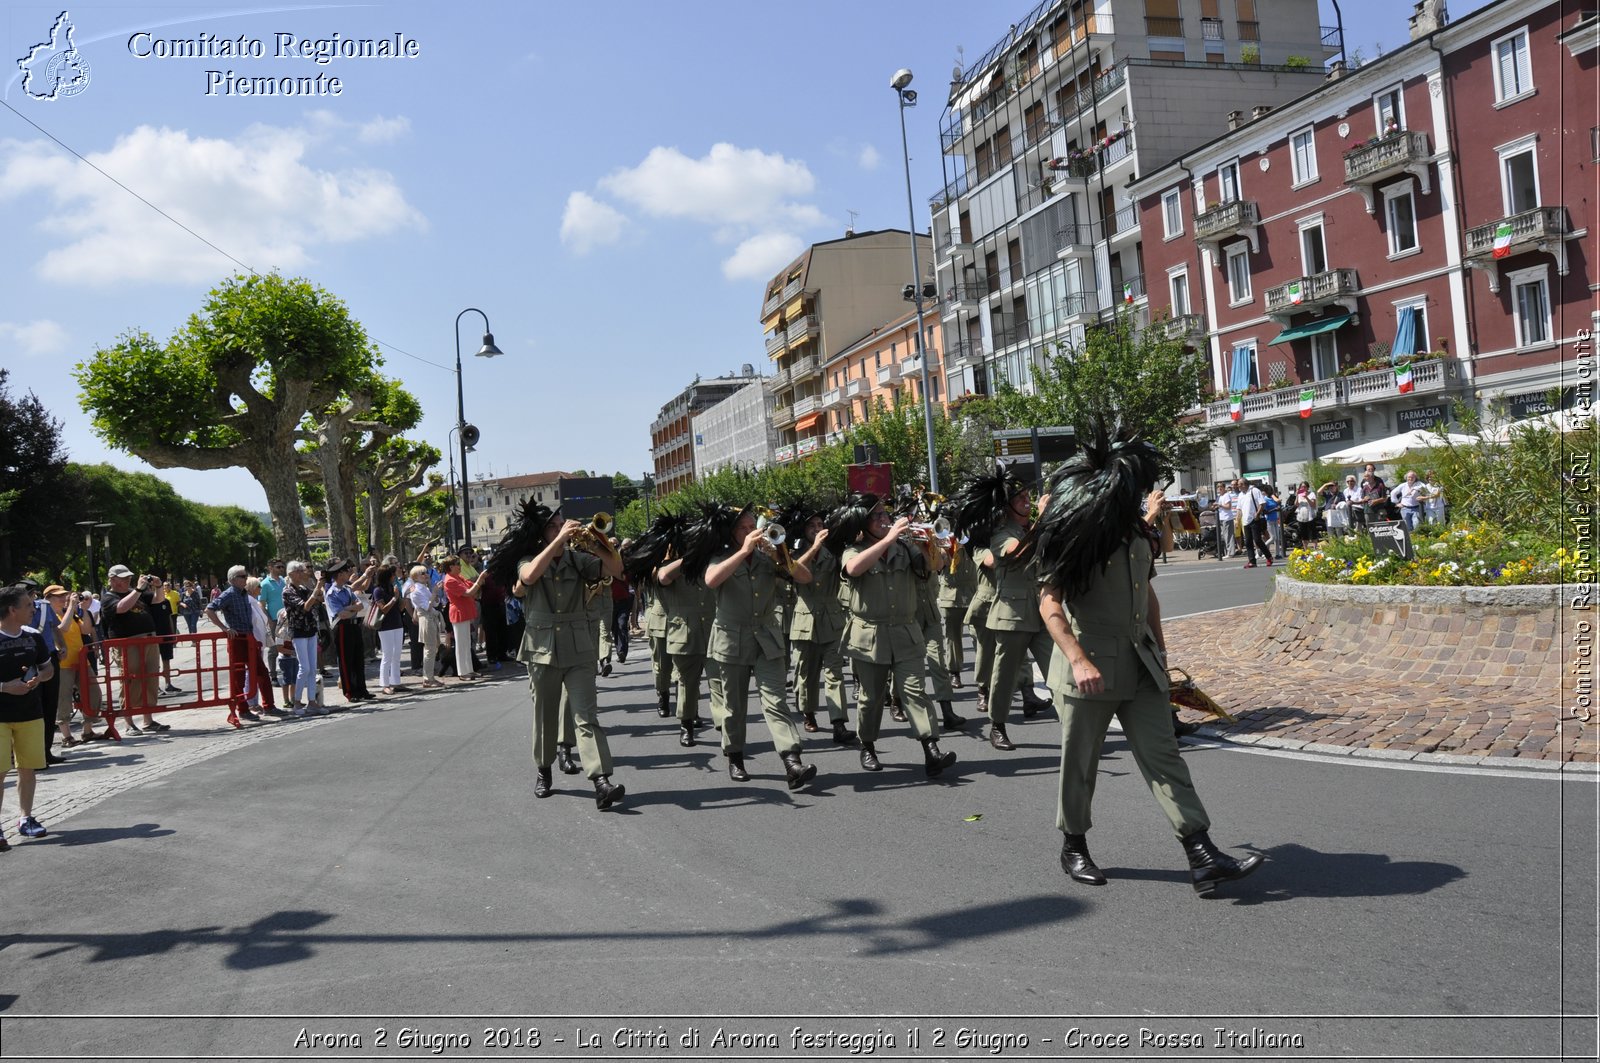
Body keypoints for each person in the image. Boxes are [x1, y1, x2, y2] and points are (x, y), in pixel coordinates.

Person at [1033, 430, 1262, 895]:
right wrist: (1077, 659)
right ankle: (1073, 845)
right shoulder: (1075, 534)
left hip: (1139, 664)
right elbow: (1049, 604)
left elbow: (1148, 591)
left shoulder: (1135, 530)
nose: (1142, 492)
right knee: (1080, 764)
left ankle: (1201, 852)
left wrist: (1160, 648)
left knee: (1165, 758)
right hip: (1089, 668)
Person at [495, 500, 627, 809]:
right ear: (541, 534)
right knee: (545, 714)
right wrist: (558, 541)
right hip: (541, 649)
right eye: (553, 526)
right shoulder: (528, 558)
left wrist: (600, 542)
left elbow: (617, 570)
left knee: (586, 715)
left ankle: (601, 781)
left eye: (561, 525)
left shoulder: (577, 559)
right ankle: (544, 770)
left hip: (579, 646)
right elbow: (527, 577)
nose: (561, 529)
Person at [685, 502, 819, 791]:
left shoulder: (769, 557)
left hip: (766, 638)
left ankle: (791, 760)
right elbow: (711, 580)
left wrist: (783, 558)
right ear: (732, 534)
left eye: (752, 526)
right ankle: (735, 756)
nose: (753, 531)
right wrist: (744, 551)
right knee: (734, 707)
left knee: (776, 701)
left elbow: (806, 578)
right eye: (745, 528)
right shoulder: (720, 557)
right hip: (731, 639)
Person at [826, 493, 957, 778]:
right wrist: (889, 539)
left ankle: (930, 747)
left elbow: (936, 565)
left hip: (905, 632)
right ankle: (868, 745)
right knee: (872, 698)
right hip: (868, 635)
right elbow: (853, 568)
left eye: (885, 515)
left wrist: (927, 545)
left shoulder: (905, 549)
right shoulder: (853, 549)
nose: (885, 520)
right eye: (877, 517)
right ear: (863, 524)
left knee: (914, 692)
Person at [975, 470, 1056, 751]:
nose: (1026, 500)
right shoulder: (1002, 534)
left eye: (1027, 496)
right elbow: (1018, 552)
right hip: (1012, 615)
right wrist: (1043, 520)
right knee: (1004, 677)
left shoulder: (1031, 527)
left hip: (1042, 612)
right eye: (1019, 497)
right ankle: (997, 725)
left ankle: (1077, 723)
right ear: (1007, 505)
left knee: (1059, 670)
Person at [783, 503, 857, 745]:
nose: (817, 529)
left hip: (832, 618)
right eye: (811, 526)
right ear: (803, 531)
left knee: (835, 673)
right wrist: (814, 547)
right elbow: (794, 571)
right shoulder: (794, 552)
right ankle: (808, 712)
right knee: (805, 674)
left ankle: (839, 723)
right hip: (804, 619)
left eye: (820, 525)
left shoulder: (833, 552)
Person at [0, 584, 53, 848]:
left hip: (31, 713)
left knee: (27, 769)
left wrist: (37, 678)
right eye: (28, 606)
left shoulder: (34, 636)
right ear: (12, 610)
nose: (33, 610)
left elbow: (48, 670)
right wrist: (4, 687)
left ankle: (26, 818)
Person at [101, 565, 165, 734]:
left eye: (129, 577)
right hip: (127, 643)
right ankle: (129, 722)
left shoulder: (138, 593)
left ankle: (148, 720)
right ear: (112, 580)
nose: (127, 580)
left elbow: (158, 600)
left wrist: (158, 586)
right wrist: (137, 589)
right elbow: (121, 607)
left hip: (149, 640)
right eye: (123, 578)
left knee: (151, 677)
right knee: (130, 679)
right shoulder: (108, 597)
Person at [205, 566, 275, 722]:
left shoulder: (244, 594)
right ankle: (243, 709)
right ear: (233, 579)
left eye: (245, 576)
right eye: (242, 576)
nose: (245, 578)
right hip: (237, 639)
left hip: (248, 638)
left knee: (261, 672)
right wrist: (224, 628)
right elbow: (209, 609)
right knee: (239, 676)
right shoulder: (228, 594)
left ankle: (269, 705)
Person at [47, 587, 103, 744]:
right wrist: (71, 607)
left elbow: (85, 629)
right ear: (48, 598)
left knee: (94, 693)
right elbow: (61, 628)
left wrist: (84, 609)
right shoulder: (50, 616)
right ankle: (67, 736)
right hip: (63, 664)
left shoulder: (72, 612)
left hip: (81, 660)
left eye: (64, 595)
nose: (63, 598)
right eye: (58, 596)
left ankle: (88, 730)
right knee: (63, 699)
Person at [322, 558, 371, 703]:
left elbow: (360, 605)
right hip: (342, 627)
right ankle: (350, 691)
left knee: (358, 659)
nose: (348, 573)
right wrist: (352, 608)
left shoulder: (348, 589)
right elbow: (341, 614)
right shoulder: (332, 593)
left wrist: (350, 608)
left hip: (353, 624)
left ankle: (362, 689)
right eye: (344, 571)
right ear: (338, 574)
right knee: (346, 660)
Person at [280, 561, 325, 715]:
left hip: (310, 630)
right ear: (291, 574)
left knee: (313, 668)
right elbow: (305, 607)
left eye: (302, 570)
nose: (302, 573)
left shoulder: (304, 588)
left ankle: (312, 701)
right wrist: (317, 590)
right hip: (298, 631)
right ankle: (297, 702)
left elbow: (319, 600)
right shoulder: (287, 591)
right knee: (304, 667)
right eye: (298, 571)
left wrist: (319, 586)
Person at [440, 556, 488, 682]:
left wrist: (478, 582)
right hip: (459, 613)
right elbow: (469, 592)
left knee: (467, 643)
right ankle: (462, 672)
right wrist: (479, 581)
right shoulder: (450, 580)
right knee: (461, 644)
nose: (460, 566)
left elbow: (472, 587)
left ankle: (469, 669)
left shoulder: (457, 577)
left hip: (465, 611)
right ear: (451, 567)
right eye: (457, 564)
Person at [402, 565, 443, 690]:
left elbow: (435, 603)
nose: (426, 575)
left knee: (432, 648)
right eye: (422, 573)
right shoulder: (415, 589)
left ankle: (429, 677)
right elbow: (427, 607)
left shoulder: (424, 588)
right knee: (429, 648)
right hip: (426, 618)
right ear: (415, 577)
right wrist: (435, 593)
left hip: (431, 617)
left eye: (426, 573)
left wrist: (435, 595)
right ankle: (428, 678)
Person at [370, 559, 405, 694]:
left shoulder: (392, 588)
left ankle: (396, 682)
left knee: (397, 654)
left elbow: (400, 607)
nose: (394, 577)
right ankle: (384, 684)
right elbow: (383, 609)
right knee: (387, 655)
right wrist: (394, 598)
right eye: (392, 574)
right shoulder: (378, 590)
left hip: (397, 623)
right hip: (385, 626)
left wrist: (401, 597)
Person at [1237, 479, 1272, 568]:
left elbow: (1262, 503)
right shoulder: (1240, 495)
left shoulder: (1254, 491)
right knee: (1248, 542)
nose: (1238, 486)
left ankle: (1269, 557)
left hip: (1255, 519)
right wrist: (1238, 520)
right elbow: (1239, 509)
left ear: (1244, 484)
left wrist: (1257, 514)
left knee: (1257, 540)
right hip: (1245, 520)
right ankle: (1252, 561)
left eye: (1239, 484)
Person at [1213, 482, 1239, 557]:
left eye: (1221, 487)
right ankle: (1228, 552)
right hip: (1221, 518)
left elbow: (1228, 506)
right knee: (1224, 536)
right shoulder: (1219, 496)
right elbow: (1219, 506)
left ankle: (1230, 553)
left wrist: (1220, 505)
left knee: (1228, 536)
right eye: (1218, 487)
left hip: (1227, 518)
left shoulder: (1226, 495)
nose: (1219, 488)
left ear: (1224, 487)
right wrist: (1215, 506)